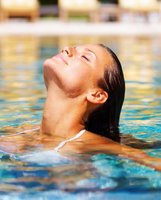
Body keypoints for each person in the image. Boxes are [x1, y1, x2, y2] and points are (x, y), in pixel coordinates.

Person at [1, 44, 161, 171]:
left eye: (85, 57)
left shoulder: (95, 145)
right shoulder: (22, 132)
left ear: (97, 95)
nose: (66, 49)